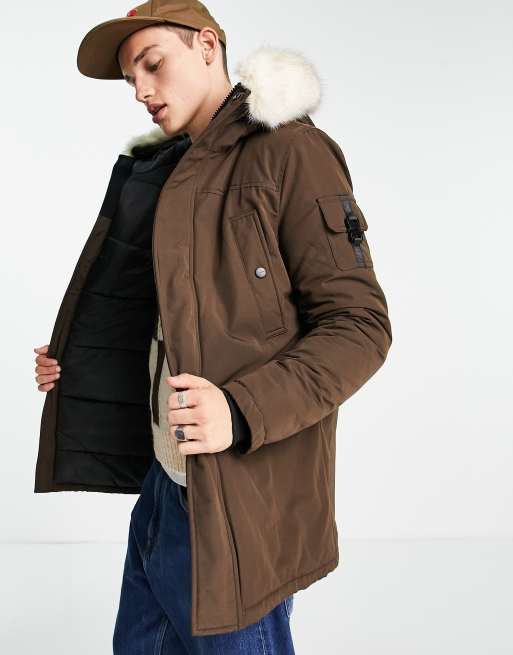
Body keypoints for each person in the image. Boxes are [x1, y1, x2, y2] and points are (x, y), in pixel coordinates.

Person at [33, 1, 393, 652]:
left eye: (152, 64)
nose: (140, 90)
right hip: (165, 484)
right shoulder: (168, 169)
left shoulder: (291, 151)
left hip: (237, 500)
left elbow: (359, 326)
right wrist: (80, 362)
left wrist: (240, 409)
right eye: (130, 79)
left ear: (206, 45)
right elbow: (171, 317)